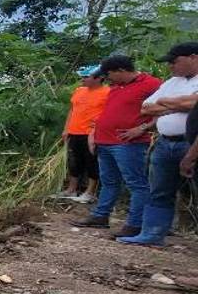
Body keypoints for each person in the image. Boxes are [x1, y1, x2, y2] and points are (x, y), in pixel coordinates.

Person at [71, 55, 161, 237]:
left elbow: (166, 109)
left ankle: (135, 224)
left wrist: (142, 128)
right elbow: (108, 112)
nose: (107, 78)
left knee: (136, 184)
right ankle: (100, 215)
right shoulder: (116, 87)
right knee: (109, 181)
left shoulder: (151, 84)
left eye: (109, 74)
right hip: (105, 140)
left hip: (129, 143)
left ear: (121, 70)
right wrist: (94, 132)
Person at [118, 43, 198, 245]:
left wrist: (166, 103)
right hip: (165, 143)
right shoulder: (173, 82)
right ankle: (152, 234)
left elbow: (191, 104)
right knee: (160, 190)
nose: (171, 66)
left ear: (193, 57)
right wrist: (180, 104)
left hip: (191, 143)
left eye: (175, 61)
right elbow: (146, 108)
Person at [56, 65, 109, 203]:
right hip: (74, 131)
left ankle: (90, 192)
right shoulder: (79, 91)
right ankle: (71, 189)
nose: (82, 79)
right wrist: (66, 128)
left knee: (92, 162)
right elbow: (72, 110)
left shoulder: (107, 93)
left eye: (86, 77)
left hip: (91, 134)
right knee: (74, 161)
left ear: (100, 78)